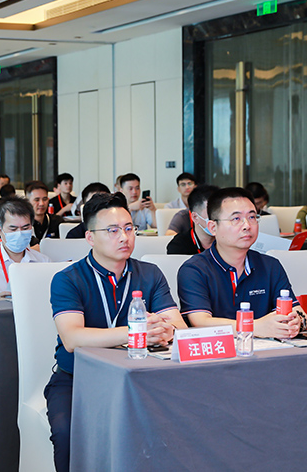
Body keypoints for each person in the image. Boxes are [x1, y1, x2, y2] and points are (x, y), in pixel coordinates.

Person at [45, 192, 186, 472]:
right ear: (90, 237)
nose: (124, 237)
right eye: (112, 230)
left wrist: (162, 330)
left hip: (142, 378)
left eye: (129, 228)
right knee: (66, 432)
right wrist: (136, 332)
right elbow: (73, 338)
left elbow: (177, 327)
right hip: (79, 380)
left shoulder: (150, 273)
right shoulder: (68, 279)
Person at [177, 187, 306, 337]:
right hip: (219, 348)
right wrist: (255, 327)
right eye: (236, 219)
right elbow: (200, 322)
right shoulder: (194, 270)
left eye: (252, 217)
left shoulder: (270, 265)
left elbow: (297, 310)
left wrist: (297, 321)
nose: (247, 226)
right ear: (213, 227)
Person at [166, 184, 218, 254]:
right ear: (195, 217)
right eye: (211, 212)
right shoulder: (179, 246)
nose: (218, 217)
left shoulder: (229, 240)